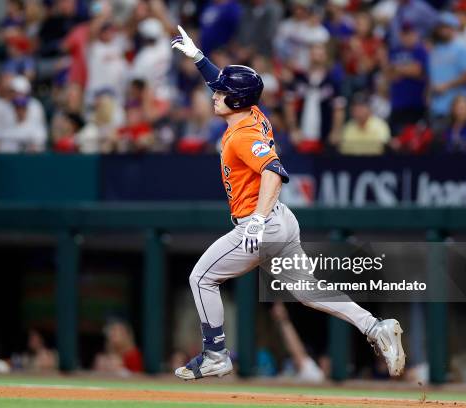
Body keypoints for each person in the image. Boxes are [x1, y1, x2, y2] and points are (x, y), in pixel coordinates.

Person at [171, 25, 405, 380]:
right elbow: (229, 86)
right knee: (310, 292)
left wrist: (257, 220)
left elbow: (274, 172)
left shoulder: (242, 134)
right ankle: (375, 327)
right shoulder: (251, 114)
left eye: (221, 92)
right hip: (280, 222)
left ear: (235, 100)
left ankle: (216, 353)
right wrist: (201, 59)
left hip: (259, 224)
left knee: (201, 278)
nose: (214, 94)